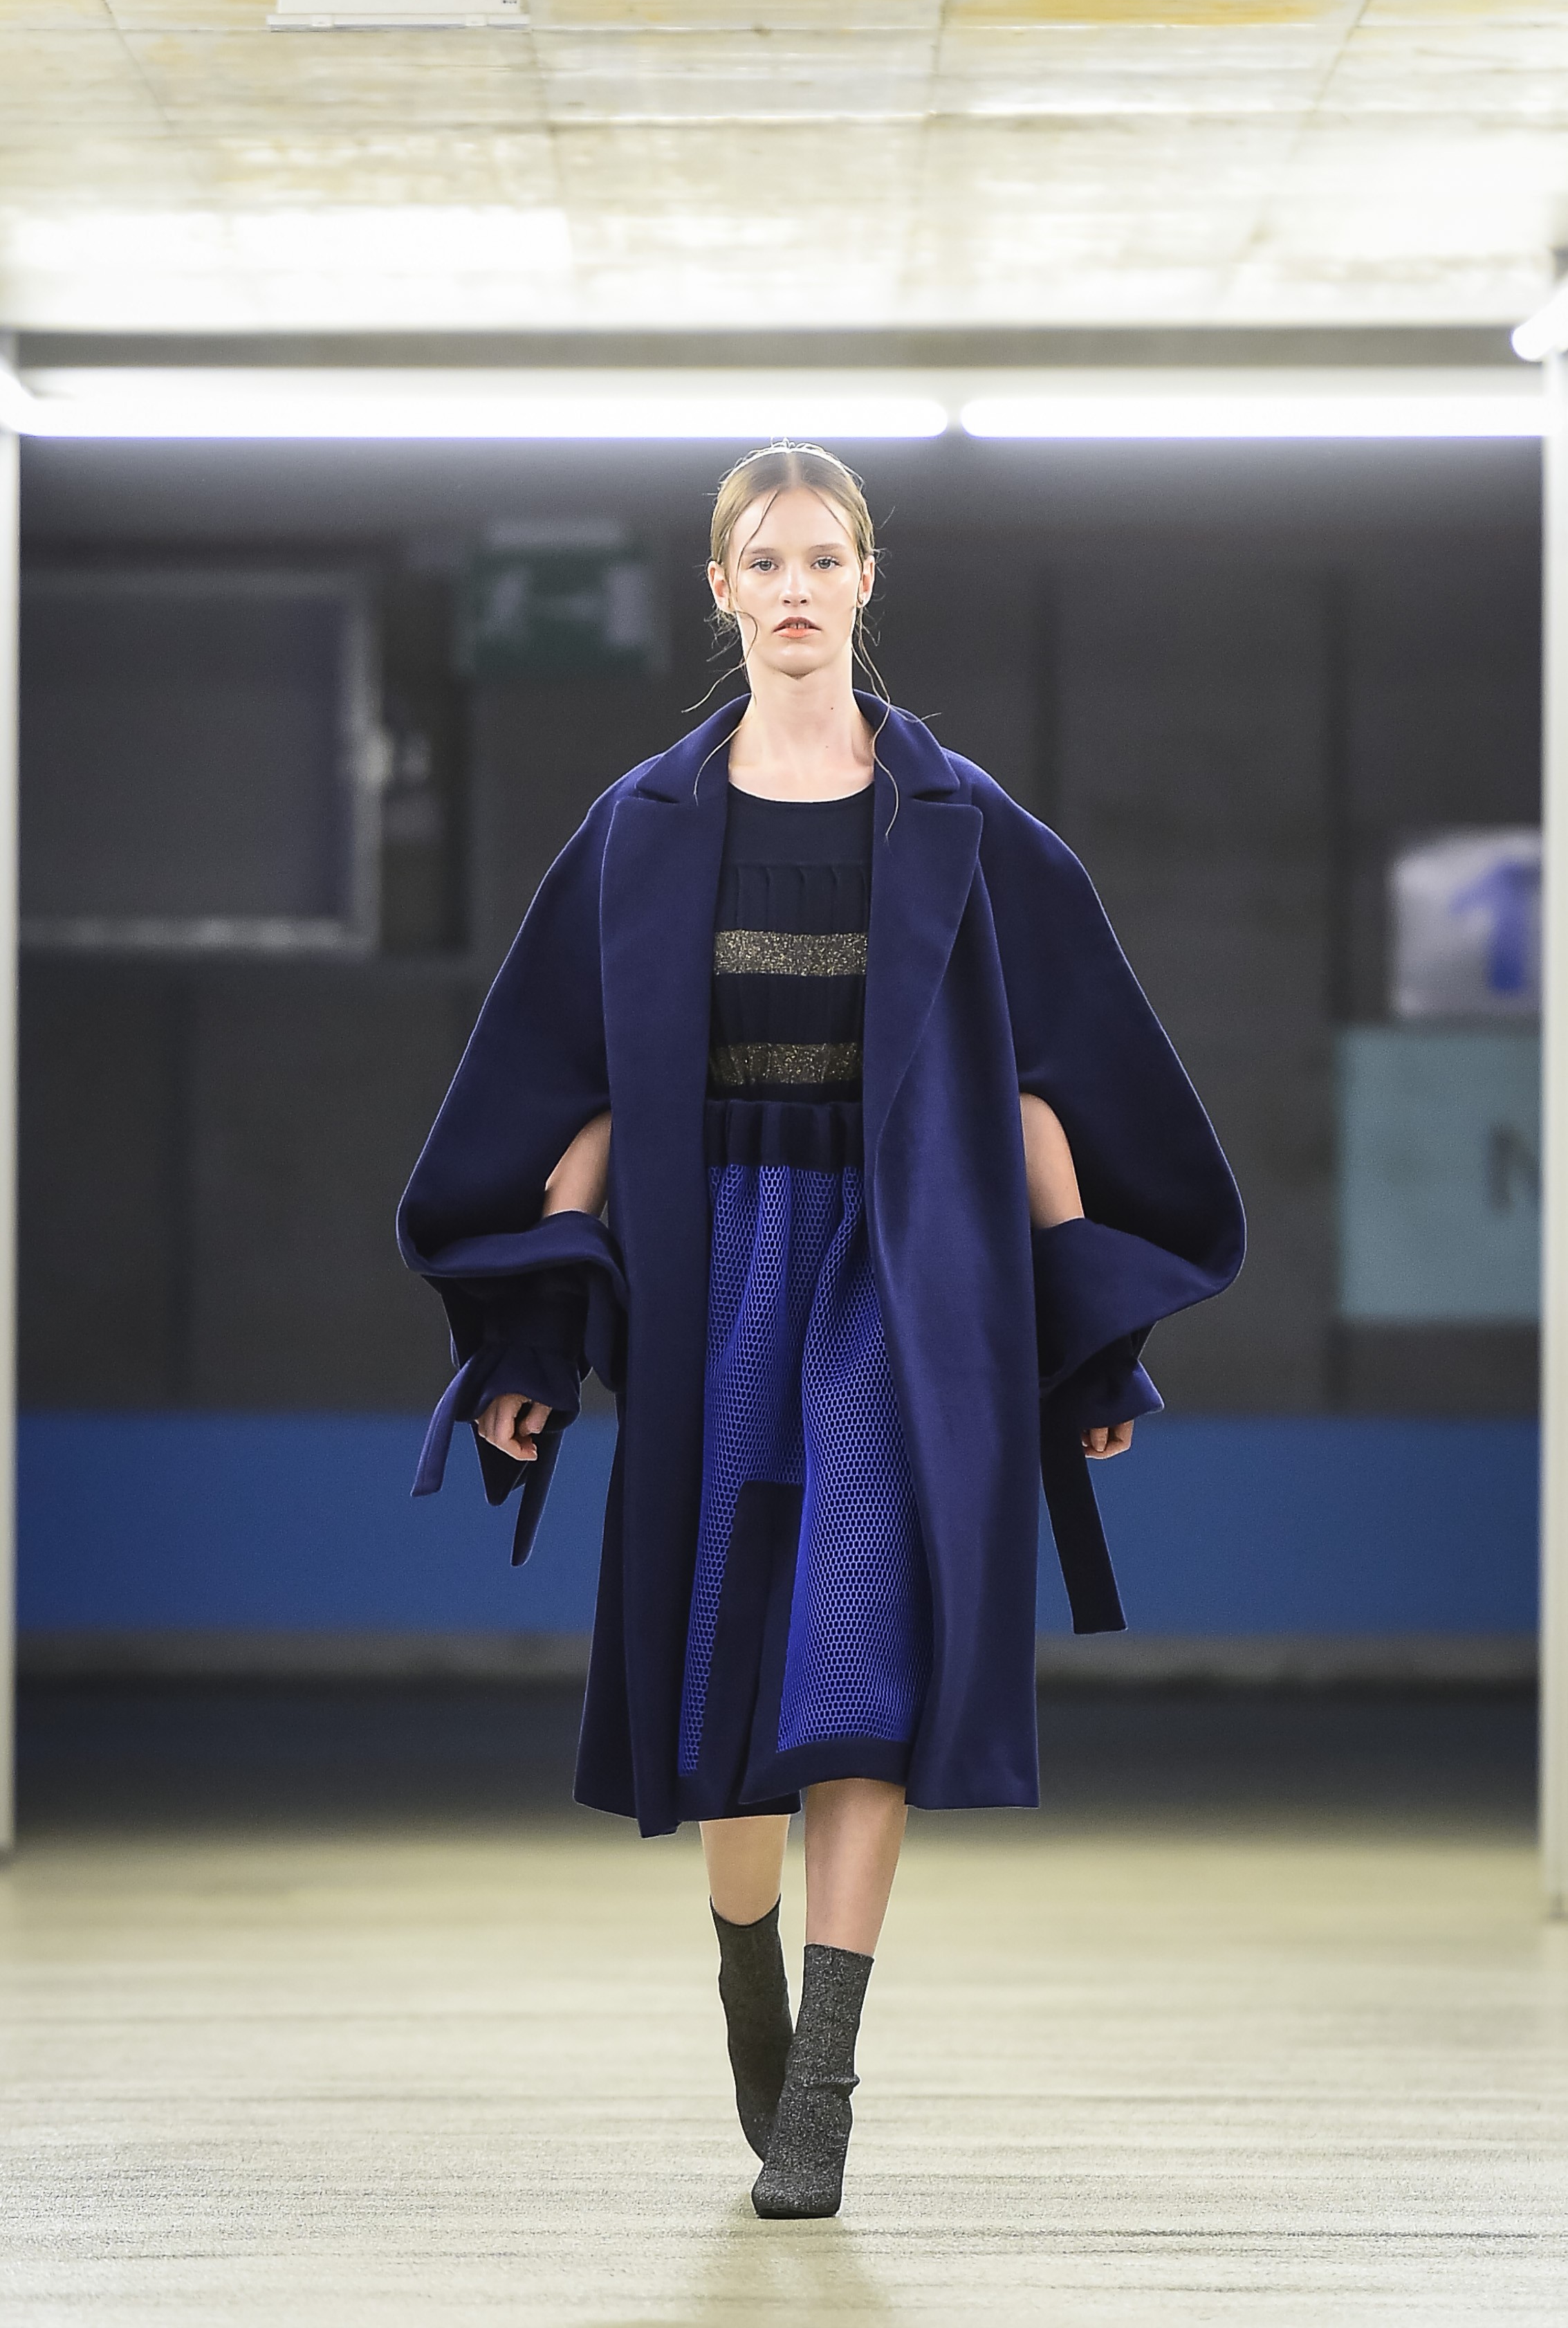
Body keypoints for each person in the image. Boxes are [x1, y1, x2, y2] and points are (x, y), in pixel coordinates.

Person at [397, 442, 1244, 2220]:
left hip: (903, 1271)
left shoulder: (963, 825)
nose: (796, 587)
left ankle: (828, 2080)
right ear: (722, 589)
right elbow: (571, 1095)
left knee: (863, 1657)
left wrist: (1090, 1340)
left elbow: (1052, 1089)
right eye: (764, 560)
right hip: (715, 1269)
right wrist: (530, 1342)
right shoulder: (639, 828)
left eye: (824, 557)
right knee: (725, 1668)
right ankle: (747, 1975)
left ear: (868, 578)